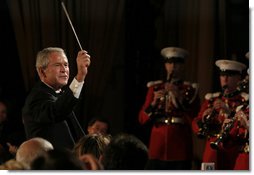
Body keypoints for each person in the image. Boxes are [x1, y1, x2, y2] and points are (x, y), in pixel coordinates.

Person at [138, 47, 200, 170]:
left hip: (180, 147)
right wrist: (154, 102)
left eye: (177, 63)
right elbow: (142, 118)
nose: (173, 67)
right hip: (158, 145)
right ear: (165, 65)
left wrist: (179, 98)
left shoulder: (190, 89)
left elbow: (194, 119)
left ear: (182, 66)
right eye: (169, 63)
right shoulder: (155, 87)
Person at [22, 47, 91, 150]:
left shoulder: (59, 94)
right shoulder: (37, 97)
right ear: (42, 72)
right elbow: (57, 111)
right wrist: (80, 76)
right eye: (57, 65)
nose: (64, 70)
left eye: (66, 65)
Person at [192, 59, 247, 170]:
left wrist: (229, 112)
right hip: (212, 152)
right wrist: (204, 120)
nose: (225, 79)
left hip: (232, 153)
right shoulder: (212, 99)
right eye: (222, 75)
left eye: (230, 75)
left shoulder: (244, 100)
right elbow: (195, 122)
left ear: (239, 78)